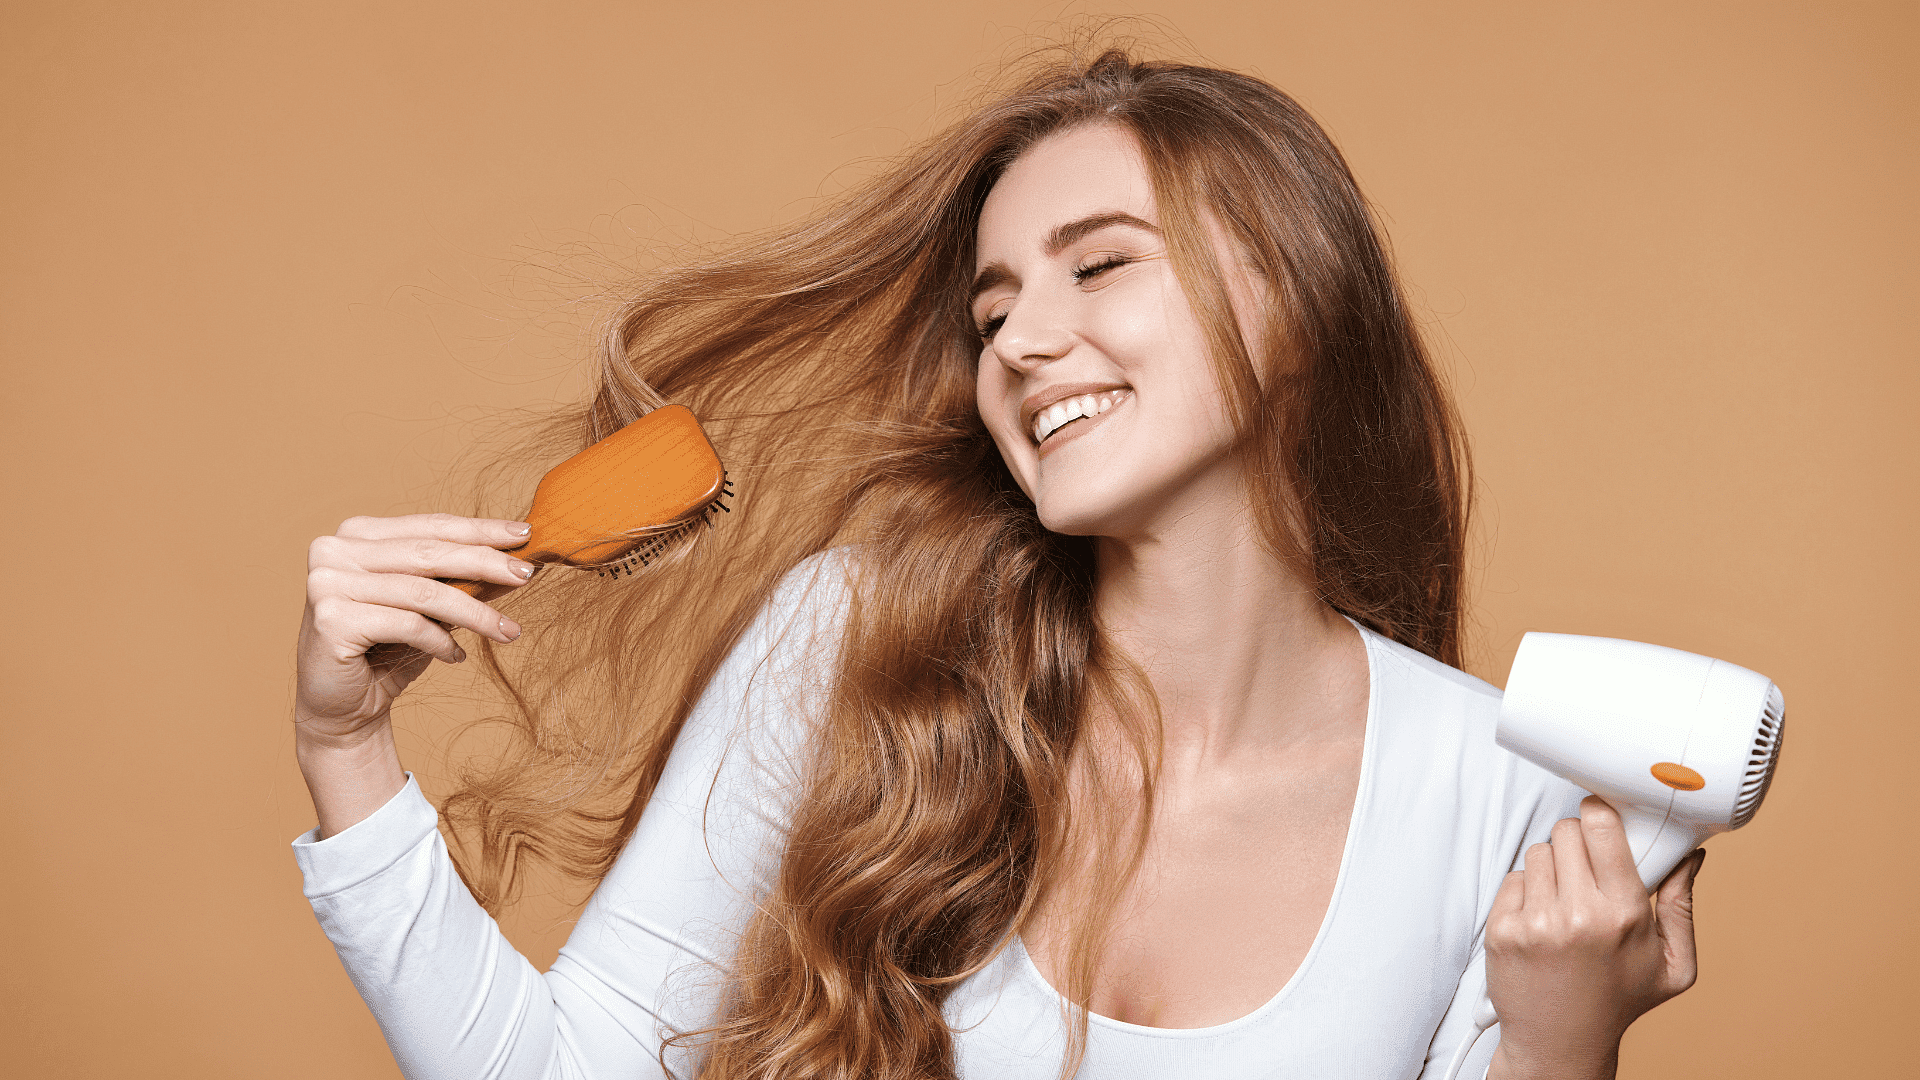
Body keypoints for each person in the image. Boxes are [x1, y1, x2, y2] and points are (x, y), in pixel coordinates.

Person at [291, 48, 1706, 1080]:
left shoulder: (1506, 793)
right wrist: (346, 746)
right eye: (996, 304)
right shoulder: (857, 645)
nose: (1023, 342)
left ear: (1293, 296)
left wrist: (1561, 1046)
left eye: (1099, 268)